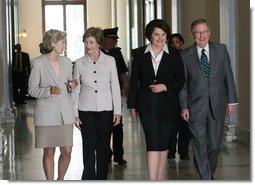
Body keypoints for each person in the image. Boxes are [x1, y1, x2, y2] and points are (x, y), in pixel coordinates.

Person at [179, 18, 238, 180]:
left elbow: (228, 76)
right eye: (198, 32)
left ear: (209, 33)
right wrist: (184, 106)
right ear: (193, 34)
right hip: (195, 107)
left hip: (218, 104)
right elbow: (182, 84)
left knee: (214, 145)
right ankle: (204, 179)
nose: (202, 35)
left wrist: (232, 101)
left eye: (205, 31)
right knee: (199, 145)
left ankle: (208, 173)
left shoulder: (221, 50)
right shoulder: (185, 55)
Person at [127, 19, 185, 180]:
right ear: (149, 36)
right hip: (146, 104)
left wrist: (164, 86)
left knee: (163, 143)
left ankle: (158, 179)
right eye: (156, 34)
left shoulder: (174, 55)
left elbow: (180, 80)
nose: (160, 38)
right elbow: (134, 81)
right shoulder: (139, 54)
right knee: (152, 141)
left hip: (168, 104)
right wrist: (132, 105)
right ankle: (152, 180)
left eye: (163, 34)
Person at [73, 27, 122, 180]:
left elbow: (115, 86)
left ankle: (101, 179)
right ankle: (87, 179)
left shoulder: (110, 61)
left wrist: (117, 111)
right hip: (85, 110)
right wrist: (74, 113)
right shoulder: (79, 63)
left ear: (99, 43)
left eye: (91, 42)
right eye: (86, 42)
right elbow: (76, 89)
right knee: (88, 145)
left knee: (103, 147)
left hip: (105, 110)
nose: (88, 46)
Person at [28, 29, 77, 180]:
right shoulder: (38, 63)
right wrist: (48, 90)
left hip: (64, 113)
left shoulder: (67, 62)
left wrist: (71, 86)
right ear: (53, 44)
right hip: (47, 114)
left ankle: (60, 180)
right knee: (49, 151)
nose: (65, 45)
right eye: (62, 42)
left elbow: (68, 86)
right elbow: (31, 90)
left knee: (67, 151)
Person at [101, 27, 129, 165]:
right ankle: (106, 153)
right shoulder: (97, 53)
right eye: (112, 39)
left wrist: (128, 88)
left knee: (117, 125)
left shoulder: (117, 54)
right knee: (104, 126)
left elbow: (123, 73)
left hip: (115, 95)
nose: (114, 42)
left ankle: (119, 155)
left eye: (115, 40)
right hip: (101, 95)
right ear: (104, 39)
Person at [167, 33, 191, 160]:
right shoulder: (168, 57)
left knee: (185, 126)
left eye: (177, 42)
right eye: (172, 42)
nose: (174, 45)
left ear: (182, 42)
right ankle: (171, 151)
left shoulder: (187, 56)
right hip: (171, 96)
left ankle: (184, 151)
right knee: (172, 126)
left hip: (185, 96)